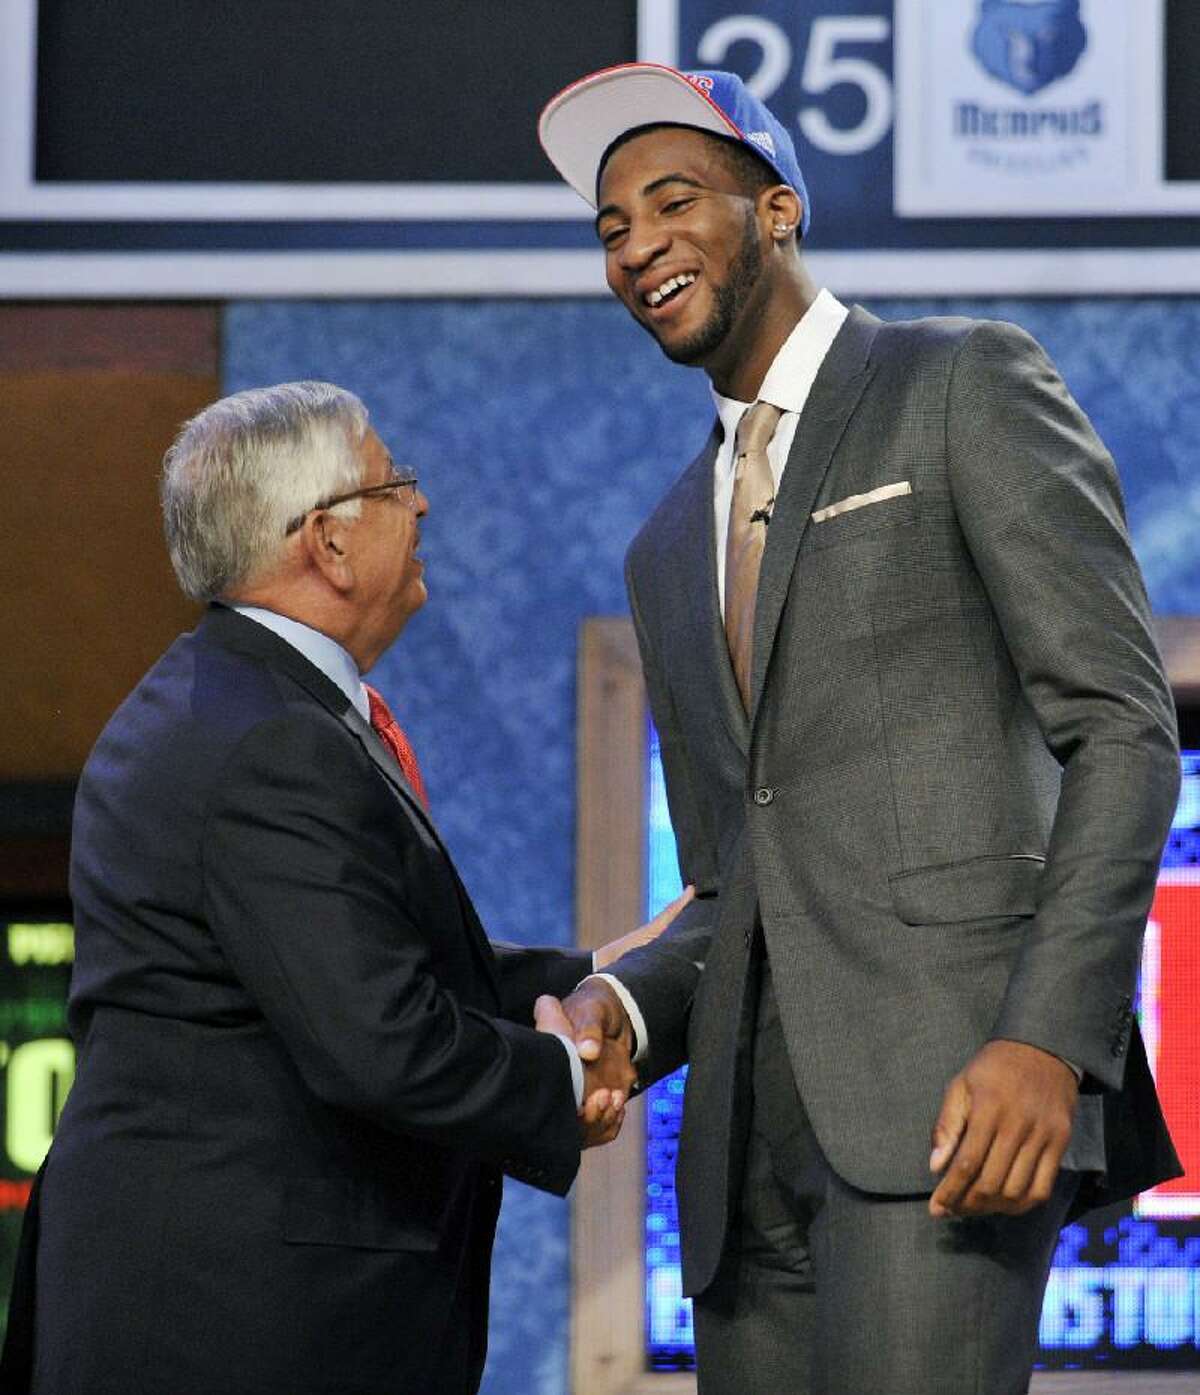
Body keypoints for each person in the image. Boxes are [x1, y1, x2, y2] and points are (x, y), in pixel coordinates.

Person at [538, 65, 1182, 1395]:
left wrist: (1047, 1039)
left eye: (673, 200)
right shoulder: (665, 543)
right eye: (611, 227)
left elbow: (1123, 728)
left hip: (949, 1107)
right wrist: (629, 1010)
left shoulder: (959, 384)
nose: (639, 241)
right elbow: (734, 881)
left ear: (777, 207)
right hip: (738, 1157)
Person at [0, 381, 688, 1395]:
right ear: (324, 541)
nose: (421, 507)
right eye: (395, 483)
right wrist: (564, 1075)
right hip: (233, 1330)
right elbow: (379, 1038)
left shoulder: (237, 705)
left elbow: (343, 961)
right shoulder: (268, 739)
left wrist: (600, 974)